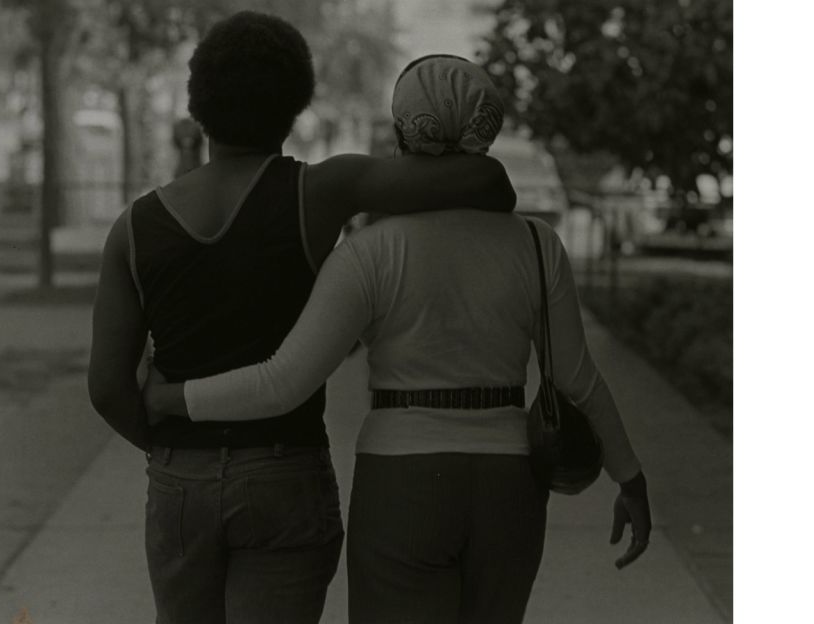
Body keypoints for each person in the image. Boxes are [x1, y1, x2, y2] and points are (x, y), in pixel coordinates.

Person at [142, 55, 652, 624]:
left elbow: (282, 383)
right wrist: (629, 477)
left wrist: (172, 396)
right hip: (511, 484)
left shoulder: (371, 251)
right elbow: (577, 379)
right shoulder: (538, 244)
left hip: (403, 482)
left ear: (403, 128)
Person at [86, 14, 517, 624]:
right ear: (295, 107)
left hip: (181, 482)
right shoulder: (320, 191)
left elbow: (106, 387)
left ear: (198, 104)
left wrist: (176, 452)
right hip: (285, 473)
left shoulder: (132, 229)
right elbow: (488, 179)